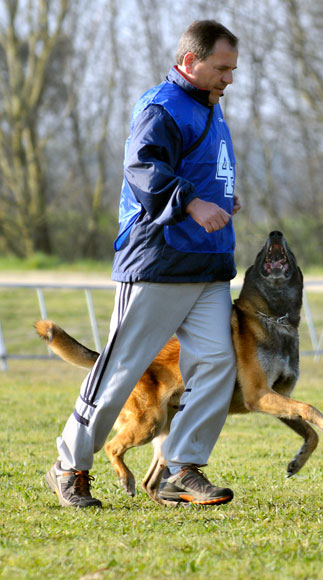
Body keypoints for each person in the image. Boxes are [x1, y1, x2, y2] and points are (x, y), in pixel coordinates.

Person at [45, 20, 241, 508]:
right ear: (190, 61)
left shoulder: (210, 107)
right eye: (221, 68)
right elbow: (143, 168)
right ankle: (69, 466)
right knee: (121, 368)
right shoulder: (162, 106)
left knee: (217, 363)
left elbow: (197, 169)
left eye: (233, 69)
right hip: (159, 261)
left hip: (209, 265)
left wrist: (222, 199)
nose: (229, 78)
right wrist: (193, 203)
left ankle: (180, 469)